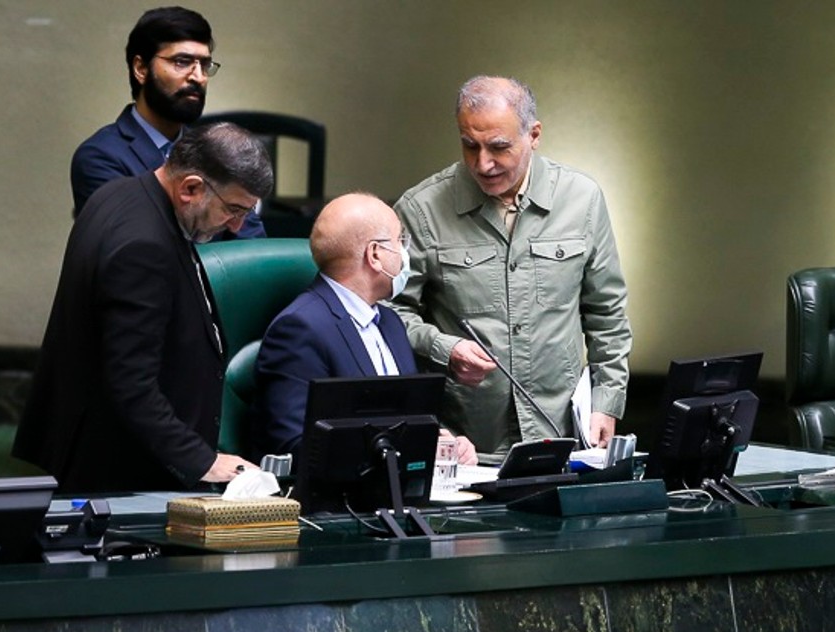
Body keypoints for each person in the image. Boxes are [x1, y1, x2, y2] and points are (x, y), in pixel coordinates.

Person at [14, 123, 272, 492]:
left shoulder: (120, 194)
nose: (237, 225)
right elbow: (130, 383)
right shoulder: (143, 246)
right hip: (119, 469)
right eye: (233, 209)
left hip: (108, 448)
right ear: (191, 188)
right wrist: (203, 461)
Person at [392, 75, 630, 457]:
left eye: (499, 147)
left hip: (562, 434)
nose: (483, 163)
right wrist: (443, 348)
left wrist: (607, 401)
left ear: (533, 135)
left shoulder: (582, 199)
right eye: (470, 145)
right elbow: (387, 313)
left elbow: (607, 313)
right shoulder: (421, 210)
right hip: (466, 441)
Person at [251, 193, 477, 464]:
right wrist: (408, 451)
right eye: (400, 240)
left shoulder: (391, 323)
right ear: (375, 254)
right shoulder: (300, 329)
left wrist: (440, 442)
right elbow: (297, 445)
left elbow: (406, 421)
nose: (406, 253)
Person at [70, 7, 264, 239]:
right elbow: (134, 247)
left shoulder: (216, 153)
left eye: (204, 65)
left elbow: (252, 245)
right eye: (182, 62)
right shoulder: (101, 157)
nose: (198, 77)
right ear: (141, 69)